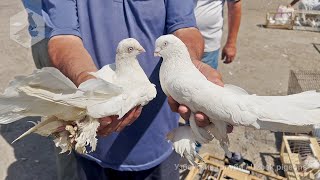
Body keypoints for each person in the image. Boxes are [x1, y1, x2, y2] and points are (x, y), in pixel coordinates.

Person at [42, 0, 223, 179]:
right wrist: (89, 83)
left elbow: (184, 27)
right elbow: (62, 36)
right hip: (94, 137)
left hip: (158, 134)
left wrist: (186, 66)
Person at [194, 0, 242, 69]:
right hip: (178, 41)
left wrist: (231, 44)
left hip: (208, 46)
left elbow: (234, 4)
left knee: (206, 78)